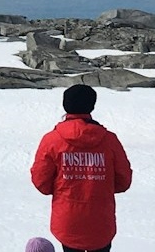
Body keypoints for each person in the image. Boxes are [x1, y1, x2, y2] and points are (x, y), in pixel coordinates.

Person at [30, 84, 132, 252]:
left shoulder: (52, 140)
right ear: (92, 105)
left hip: (67, 222)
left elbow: (41, 182)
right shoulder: (109, 140)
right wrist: (99, 185)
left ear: (65, 105)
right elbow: (123, 181)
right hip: (100, 223)